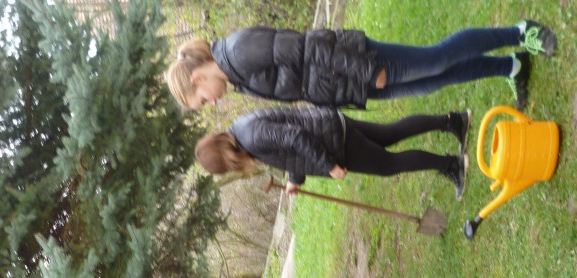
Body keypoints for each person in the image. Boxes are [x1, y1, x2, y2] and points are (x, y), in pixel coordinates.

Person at [166, 23, 557, 113]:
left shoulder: (240, 51)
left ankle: (520, 32)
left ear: (198, 77)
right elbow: (299, 83)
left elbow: (310, 47)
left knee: (437, 58)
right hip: (347, 84)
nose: (212, 103)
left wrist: (367, 71)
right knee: (433, 81)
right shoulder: (236, 77)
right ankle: (511, 66)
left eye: (203, 99)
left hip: (356, 64)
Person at [194, 106, 470, 199]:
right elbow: (289, 149)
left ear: (226, 160)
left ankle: (451, 165)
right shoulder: (241, 131)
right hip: (331, 126)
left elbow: (296, 137)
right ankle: (454, 121)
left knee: (389, 164)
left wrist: (329, 165)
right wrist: (295, 179)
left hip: (334, 143)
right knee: (390, 133)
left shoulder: (251, 137)